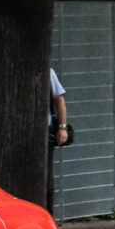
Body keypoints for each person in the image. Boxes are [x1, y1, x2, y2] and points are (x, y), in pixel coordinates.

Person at [46, 68, 71, 214]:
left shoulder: (48, 72)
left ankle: (49, 213)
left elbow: (59, 99)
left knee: (47, 175)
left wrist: (62, 127)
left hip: (46, 130)